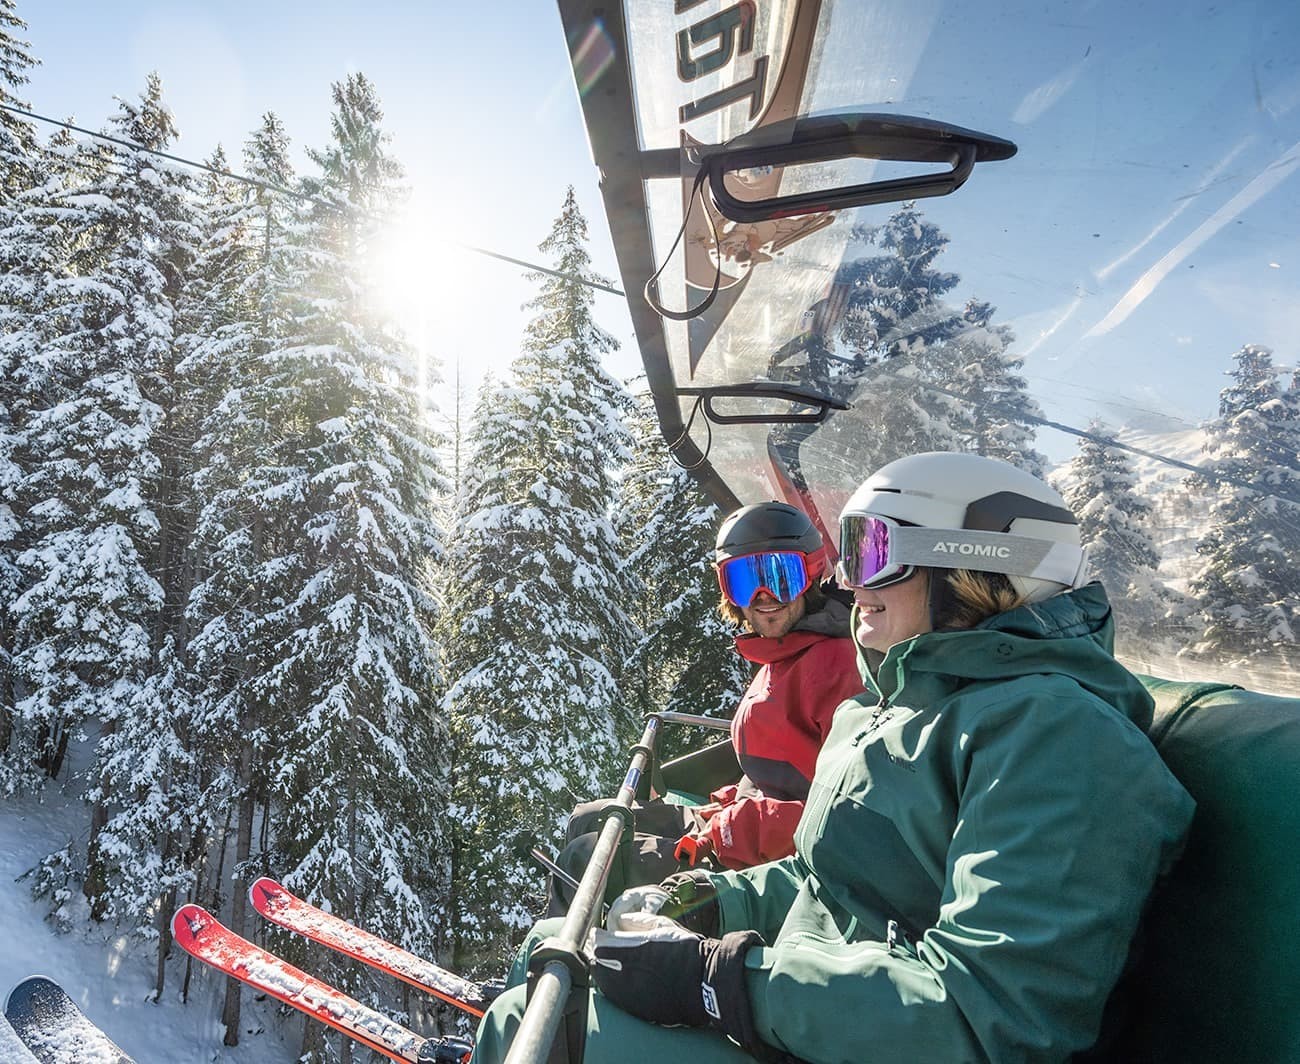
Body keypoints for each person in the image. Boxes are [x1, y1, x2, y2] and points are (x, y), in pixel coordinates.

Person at [473, 452, 1196, 1064]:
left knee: (537, 1023)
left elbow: (988, 1020)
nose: (850, 585)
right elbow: (832, 875)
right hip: (817, 995)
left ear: (977, 568)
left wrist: (723, 980)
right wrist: (713, 904)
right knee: (556, 947)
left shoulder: (1061, 741)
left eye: (873, 554)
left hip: (858, 1033)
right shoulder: (902, 702)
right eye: (848, 556)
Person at [548, 501, 861, 913]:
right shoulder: (786, 651)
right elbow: (781, 772)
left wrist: (725, 830)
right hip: (744, 827)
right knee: (588, 818)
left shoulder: (836, 666)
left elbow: (841, 815)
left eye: (780, 577)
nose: (763, 596)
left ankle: (568, 968)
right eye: (745, 580)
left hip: (775, 859)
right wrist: (730, 802)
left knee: (586, 857)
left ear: (812, 573)